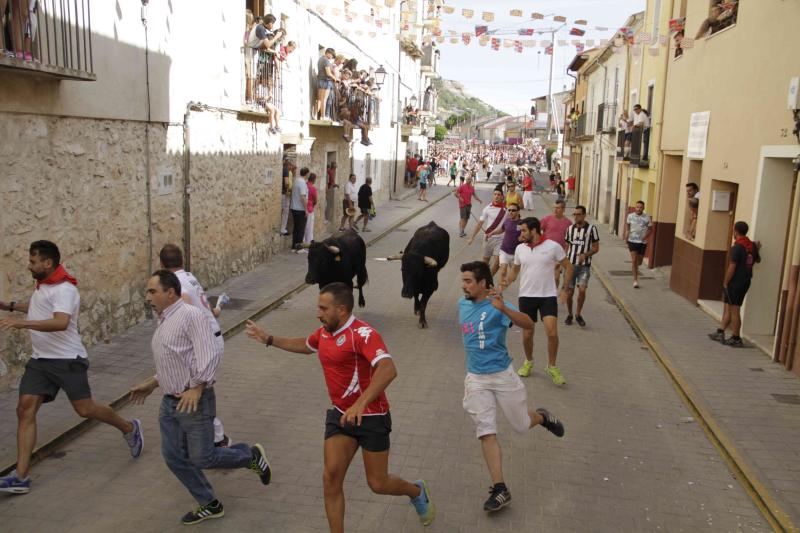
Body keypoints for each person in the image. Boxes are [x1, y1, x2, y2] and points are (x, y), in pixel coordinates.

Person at [244, 283, 435, 532]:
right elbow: (306, 345)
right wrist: (269, 339)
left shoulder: (363, 334)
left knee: (378, 484)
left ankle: (416, 491)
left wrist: (360, 403)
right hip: (341, 415)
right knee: (330, 479)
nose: (318, 313)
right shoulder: (324, 331)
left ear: (342, 310)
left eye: (323, 308)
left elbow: (388, 369)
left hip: (372, 416)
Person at [0, 241, 144, 494]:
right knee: (24, 410)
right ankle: (21, 476)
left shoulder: (65, 289)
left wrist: (19, 324)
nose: (29, 265)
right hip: (40, 361)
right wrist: (10, 306)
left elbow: (60, 322)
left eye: (33, 261)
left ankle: (129, 428)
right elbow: (39, 308)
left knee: (85, 410)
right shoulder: (45, 286)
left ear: (47, 263)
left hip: (67, 360)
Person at [130, 270, 272, 525]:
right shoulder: (164, 319)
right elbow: (177, 360)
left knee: (203, 457)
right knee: (174, 457)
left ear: (170, 292)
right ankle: (209, 503)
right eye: (147, 292)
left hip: (195, 401)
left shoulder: (190, 316)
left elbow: (209, 355)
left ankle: (249, 456)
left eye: (152, 291)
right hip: (169, 402)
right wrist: (152, 383)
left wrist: (197, 388)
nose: (147, 296)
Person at [458, 261, 564, 512]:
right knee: (486, 430)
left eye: (468, 281)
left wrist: (504, 308)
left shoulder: (497, 306)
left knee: (521, 425)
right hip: (476, 378)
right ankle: (500, 488)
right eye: (462, 281)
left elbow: (529, 324)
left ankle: (542, 417)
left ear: (483, 283)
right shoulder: (461, 304)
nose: (463, 286)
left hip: (502, 375)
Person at [159, 244, 231, 447]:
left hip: (205, 344)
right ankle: (211, 438)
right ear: (182, 260)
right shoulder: (189, 277)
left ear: (162, 264)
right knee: (197, 391)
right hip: (211, 338)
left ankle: (219, 440)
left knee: (198, 392)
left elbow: (187, 312)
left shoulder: (178, 284)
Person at [503, 218, 573, 385]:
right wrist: (504, 283)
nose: (521, 234)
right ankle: (529, 361)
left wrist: (564, 289)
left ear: (534, 231)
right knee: (527, 335)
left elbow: (569, 267)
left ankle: (552, 366)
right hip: (526, 296)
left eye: (524, 231)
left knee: (552, 333)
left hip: (547, 296)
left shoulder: (553, 246)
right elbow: (515, 270)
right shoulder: (520, 248)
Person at [709, 221, 759, 348]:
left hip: (735, 282)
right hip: (746, 280)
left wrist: (725, 282)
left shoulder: (736, 247)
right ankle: (721, 332)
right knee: (728, 306)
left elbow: (732, 266)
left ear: (736, 231)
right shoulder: (751, 245)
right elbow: (757, 259)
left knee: (734, 310)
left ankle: (736, 338)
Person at [563, 206, 600, 327]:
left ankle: (578, 314)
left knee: (582, 290)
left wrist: (585, 254)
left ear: (584, 215)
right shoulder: (569, 229)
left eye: (579, 214)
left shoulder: (591, 229)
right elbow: (567, 246)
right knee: (569, 293)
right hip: (570, 266)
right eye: (574, 214)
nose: (576, 216)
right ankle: (570, 314)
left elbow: (596, 248)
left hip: (584, 266)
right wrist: (563, 261)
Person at [467, 189, 507, 277]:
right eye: (495, 194)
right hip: (488, 238)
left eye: (499, 195)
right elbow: (480, 223)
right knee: (485, 261)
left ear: (502, 197)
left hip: (501, 239)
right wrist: (472, 237)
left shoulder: (506, 210)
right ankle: (485, 277)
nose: (496, 196)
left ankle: (489, 278)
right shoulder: (487, 208)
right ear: (493, 196)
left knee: (497, 263)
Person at [540, 199, 573, 286]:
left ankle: (552, 296)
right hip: (546, 252)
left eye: (558, 208)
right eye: (554, 207)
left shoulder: (569, 223)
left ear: (563, 209)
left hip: (559, 254)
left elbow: (569, 241)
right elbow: (536, 231)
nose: (555, 210)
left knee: (556, 278)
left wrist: (566, 254)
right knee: (544, 277)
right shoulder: (547, 219)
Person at [623, 201, 652, 288]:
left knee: (639, 262)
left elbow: (650, 229)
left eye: (640, 207)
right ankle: (635, 280)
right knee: (634, 260)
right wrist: (626, 236)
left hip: (642, 243)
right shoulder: (630, 216)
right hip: (632, 241)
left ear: (643, 208)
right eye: (637, 207)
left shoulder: (647, 217)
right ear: (635, 207)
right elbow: (628, 227)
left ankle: (635, 267)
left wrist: (645, 237)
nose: (639, 209)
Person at [492, 203, 521, 289]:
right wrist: (491, 233)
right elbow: (501, 229)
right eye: (509, 210)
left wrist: (521, 238)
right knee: (503, 271)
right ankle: (499, 291)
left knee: (514, 277)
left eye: (513, 210)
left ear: (518, 211)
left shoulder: (521, 223)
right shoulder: (507, 220)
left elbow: (525, 235)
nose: (511, 212)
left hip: (516, 254)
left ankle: (504, 284)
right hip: (504, 251)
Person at [315, 48, 337, 121]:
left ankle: (314, 115)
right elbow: (328, 73)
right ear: (328, 53)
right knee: (324, 99)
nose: (331, 58)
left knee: (320, 100)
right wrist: (335, 78)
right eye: (332, 56)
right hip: (326, 81)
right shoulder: (326, 60)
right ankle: (322, 116)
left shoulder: (320, 59)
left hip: (320, 80)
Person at [291, 167, 310, 250]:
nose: (308, 175)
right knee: (301, 229)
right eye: (308, 173)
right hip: (300, 209)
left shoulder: (296, 181)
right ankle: (299, 248)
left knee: (296, 228)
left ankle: (294, 246)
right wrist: (306, 209)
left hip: (294, 207)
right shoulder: (302, 183)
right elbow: (303, 197)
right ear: (306, 174)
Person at [280, 159, 295, 236]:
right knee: (285, 211)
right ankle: (282, 229)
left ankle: (282, 228)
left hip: (283, 193)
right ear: (288, 164)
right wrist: (288, 190)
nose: (292, 167)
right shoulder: (286, 170)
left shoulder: (284, 169)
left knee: (283, 211)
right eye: (291, 165)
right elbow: (286, 183)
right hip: (285, 194)